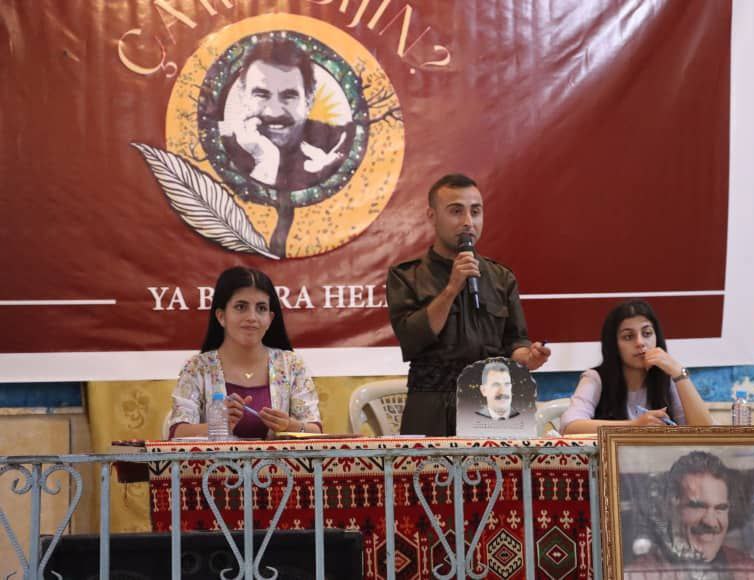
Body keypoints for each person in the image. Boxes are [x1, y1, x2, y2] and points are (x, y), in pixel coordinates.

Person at [387, 173, 550, 436]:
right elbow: (411, 337)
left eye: (475, 212)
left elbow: (515, 342)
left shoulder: (501, 278)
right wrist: (452, 288)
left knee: (500, 465)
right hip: (432, 405)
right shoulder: (407, 276)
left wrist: (528, 358)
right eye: (456, 211)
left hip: (493, 402)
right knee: (430, 465)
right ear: (432, 216)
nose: (467, 222)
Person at [168, 267, 322, 439]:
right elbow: (176, 432)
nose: (252, 317)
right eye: (241, 307)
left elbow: (315, 431)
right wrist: (216, 425)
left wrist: (290, 426)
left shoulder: (292, 365)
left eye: (261, 308)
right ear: (221, 316)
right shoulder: (197, 368)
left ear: (270, 319)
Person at [560, 300, 713, 434]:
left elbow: (706, 432)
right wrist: (634, 426)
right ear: (614, 345)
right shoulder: (595, 378)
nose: (640, 343)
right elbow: (569, 426)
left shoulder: (669, 377)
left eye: (647, 333)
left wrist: (679, 373)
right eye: (628, 337)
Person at [220, 39, 352, 190]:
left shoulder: (339, 144)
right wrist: (264, 162)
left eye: (289, 96)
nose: (274, 111)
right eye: (261, 95)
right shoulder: (221, 154)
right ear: (243, 97)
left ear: (308, 101)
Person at [624, 451, 754, 579]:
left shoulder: (750, 571)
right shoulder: (640, 575)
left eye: (720, 508)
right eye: (697, 506)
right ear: (671, 509)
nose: (711, 522)